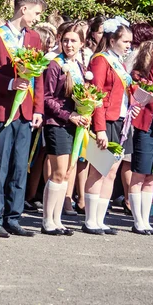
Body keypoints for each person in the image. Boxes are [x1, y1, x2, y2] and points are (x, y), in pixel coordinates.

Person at [0, 0, 47, 238]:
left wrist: (38, 108)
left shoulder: (33, 38)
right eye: (36, 13)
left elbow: (37, 75)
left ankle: (13, 216)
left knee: (20, 165)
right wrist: (9, 84)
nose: (37, 19)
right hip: (2, 109)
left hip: (26, 111)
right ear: (24, 9)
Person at [84, 17, 136, 235]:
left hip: (120, 119)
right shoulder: (100, 60)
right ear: (112, 40)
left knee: (112, 171)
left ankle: (100, 218)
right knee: (98, 169)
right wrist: (101, 128)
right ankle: (89, 220)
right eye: (125, 41)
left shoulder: (119, 61)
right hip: (105, 120)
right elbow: (95, 96)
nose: (128, 46)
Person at [41, 22, 89, 236]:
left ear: (82, 43)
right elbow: (47, 97)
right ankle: (47, 220)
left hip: (75, 124)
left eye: (73, 41)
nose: (69, 45)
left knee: (68, 173)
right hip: (57, 123)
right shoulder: (55, 65)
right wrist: (69, 115)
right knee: (58, 172)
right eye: (66, 40)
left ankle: (57, 219)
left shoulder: (80, 66)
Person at [128, 40, 153, 235]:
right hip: (145, 126)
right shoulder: (139, 75)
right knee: (139, 174)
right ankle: (137, 221)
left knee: (151, 176)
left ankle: (146, 220)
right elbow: (147, 90)